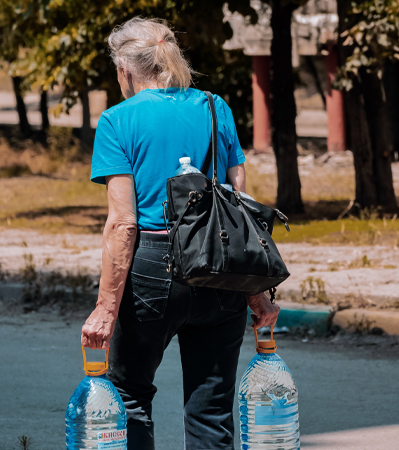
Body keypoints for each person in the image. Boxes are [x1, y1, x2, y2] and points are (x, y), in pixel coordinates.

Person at [81, 17, 280, 450]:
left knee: (130, 396)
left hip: (152, 269)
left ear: (125, 69)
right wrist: (254, 291)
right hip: (218, 266)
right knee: (212, 409)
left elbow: (123, 223)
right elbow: (236, 206)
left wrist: (104, 309)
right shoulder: (215, 106)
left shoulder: (117, 121)